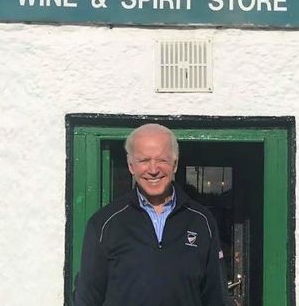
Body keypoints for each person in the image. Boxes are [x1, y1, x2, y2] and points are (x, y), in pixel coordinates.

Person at [74, 123, 229, 306]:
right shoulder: (104, 223)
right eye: (144, 160)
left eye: (162, 160)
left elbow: (216, 297)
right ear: (131, 166)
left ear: (175, 164)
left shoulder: (201, 221)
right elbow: (86, 298)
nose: (153, 169)